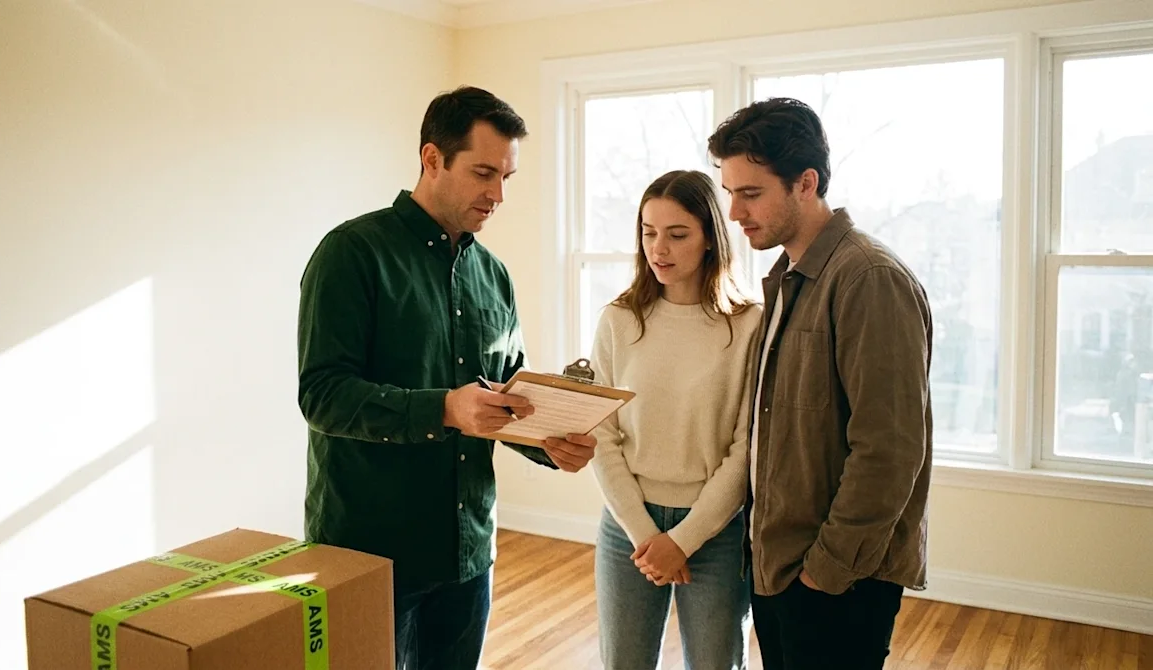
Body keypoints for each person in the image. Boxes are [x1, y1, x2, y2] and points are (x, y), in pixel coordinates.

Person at [296, 85, 599, 670]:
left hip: (468, 553)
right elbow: (323, 395)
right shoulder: (351, 254)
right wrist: (444, 409)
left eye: (507, 177)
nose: (498, 194)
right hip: (369, 551)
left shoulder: (493, 274)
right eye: (484, 173)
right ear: (432, 158)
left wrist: (550, 444)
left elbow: (506, 394)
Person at [708, 97, 934, 670]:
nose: (734, 212)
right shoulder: (787, 278)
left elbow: (889, 450)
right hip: (779, 564)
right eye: (730, 192)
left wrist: (826, 571)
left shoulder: (869, 278)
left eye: (751, 193)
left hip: (836, 578)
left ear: (805, 183)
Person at [590, 170, 761, 670]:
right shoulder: (619, 320)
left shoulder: (748, 324)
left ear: (711, 237)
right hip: (628, 527)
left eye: (677, 234)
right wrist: (647, 537)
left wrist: (683, 541)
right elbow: (603, 436)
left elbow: (745, 448)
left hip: (716, 532)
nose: (658, 249)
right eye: (648, 232)